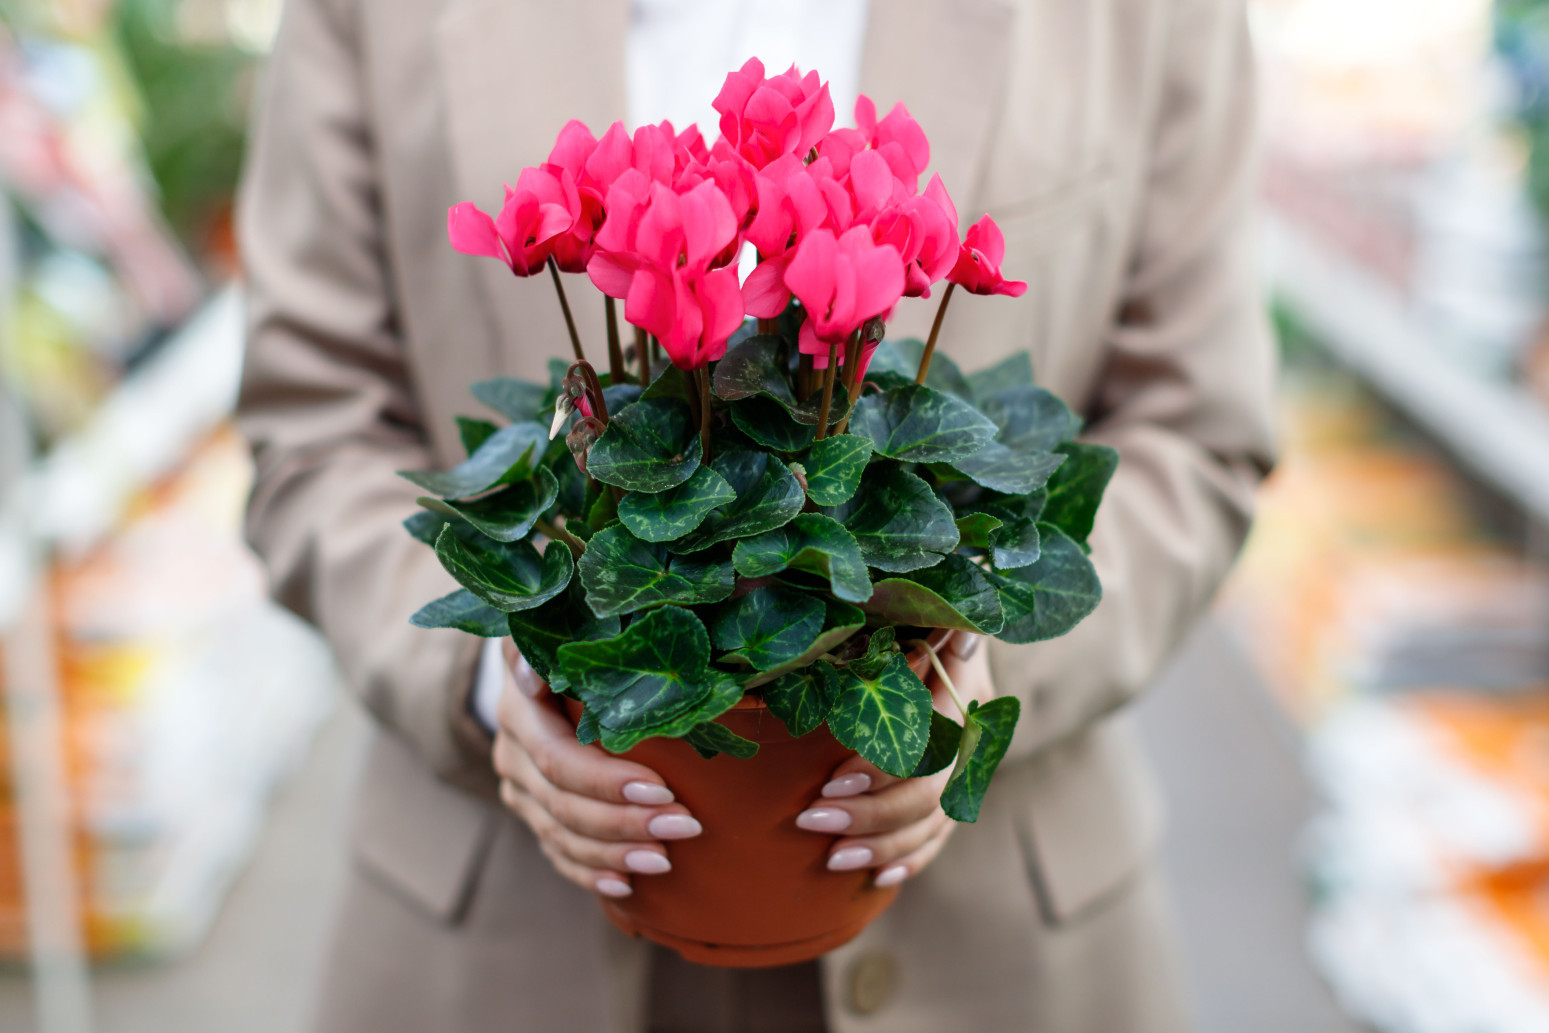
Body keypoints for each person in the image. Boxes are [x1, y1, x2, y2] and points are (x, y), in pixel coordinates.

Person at [235, 0, 1276, 1030]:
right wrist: (493, 681)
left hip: (989, 945)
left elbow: (1199, 435)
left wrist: (971, 658)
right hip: (510, 944)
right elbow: (310, 431)